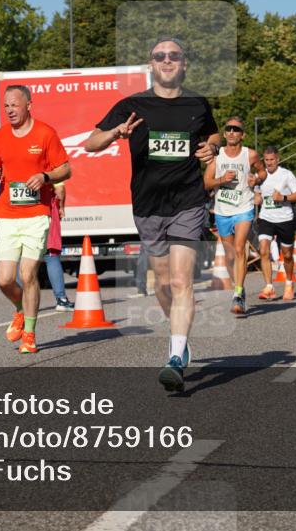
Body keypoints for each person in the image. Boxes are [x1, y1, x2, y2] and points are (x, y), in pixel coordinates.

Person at [84, 36, 221, 392]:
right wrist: (116, 132)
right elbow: (90, 142)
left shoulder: (197, 103)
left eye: (174, 55)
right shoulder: (132, 105)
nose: (167, 60)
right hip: (148, 205)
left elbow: (214, 135)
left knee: (180, 281)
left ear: (184, 63)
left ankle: (175, 357)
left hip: (188, 201)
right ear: (151, 65)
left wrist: (212, 147)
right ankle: (180, 337)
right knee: (161, 282)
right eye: (160, 56)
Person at [0, 84, 71, 355]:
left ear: (28, 105)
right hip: (7, 214)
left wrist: (45, 177)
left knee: (27, 274)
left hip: (36, 214)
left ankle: (31, 335)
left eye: (14, 104)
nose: (10, 109)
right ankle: (21, 310)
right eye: (6, 106)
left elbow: (65, 168)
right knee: (4, 279)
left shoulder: (45, 133)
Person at [204, 116, 265, 315]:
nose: (231, 132)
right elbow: (206, 183)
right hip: (222, 210)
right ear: (224, 134)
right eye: (228, 128)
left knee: (240, 249)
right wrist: (221, 180)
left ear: (242, 135)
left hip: (243, 207)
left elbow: (262, 173)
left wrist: (255, 179)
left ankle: (237, 293)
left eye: (236, 129)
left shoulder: (251, 155)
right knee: (230, 256)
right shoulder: (217, 156)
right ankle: (239, 286)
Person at [253, 145, 296, 301]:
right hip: (266, 217)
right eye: (266, 160)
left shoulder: (286, 175)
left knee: (287, 255)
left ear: (278, 159)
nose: (269, 163)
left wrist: (284, 198)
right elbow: (257, 194)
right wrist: (257, 198)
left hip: (285, 219)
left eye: (272, 160)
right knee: (263, 250)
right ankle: (269, 287)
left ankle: (289, 283)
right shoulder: (260, 175)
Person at [44, 182, 74, 310]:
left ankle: (21, 303)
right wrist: (61, 207)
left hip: (18, 214)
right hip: (44, 212)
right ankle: (61, 299)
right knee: (51, 255)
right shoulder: (48, 164)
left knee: (22, 258)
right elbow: (60, 189)